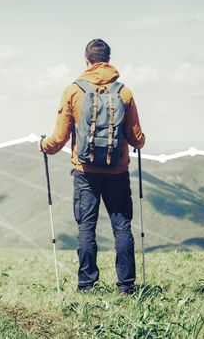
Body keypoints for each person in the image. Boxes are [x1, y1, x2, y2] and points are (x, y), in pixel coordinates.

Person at [40, 39, 145, 295]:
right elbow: (137, 139)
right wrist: (139, 140)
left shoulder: (73, 91)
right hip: (117, 173)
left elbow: (59, 138)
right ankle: (126, 286)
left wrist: (44, 145)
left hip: (85, 173)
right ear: (108, 60)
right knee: (121, 227)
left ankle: (87, 285)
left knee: (86, 227)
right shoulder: (124, 93)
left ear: (86, 60)